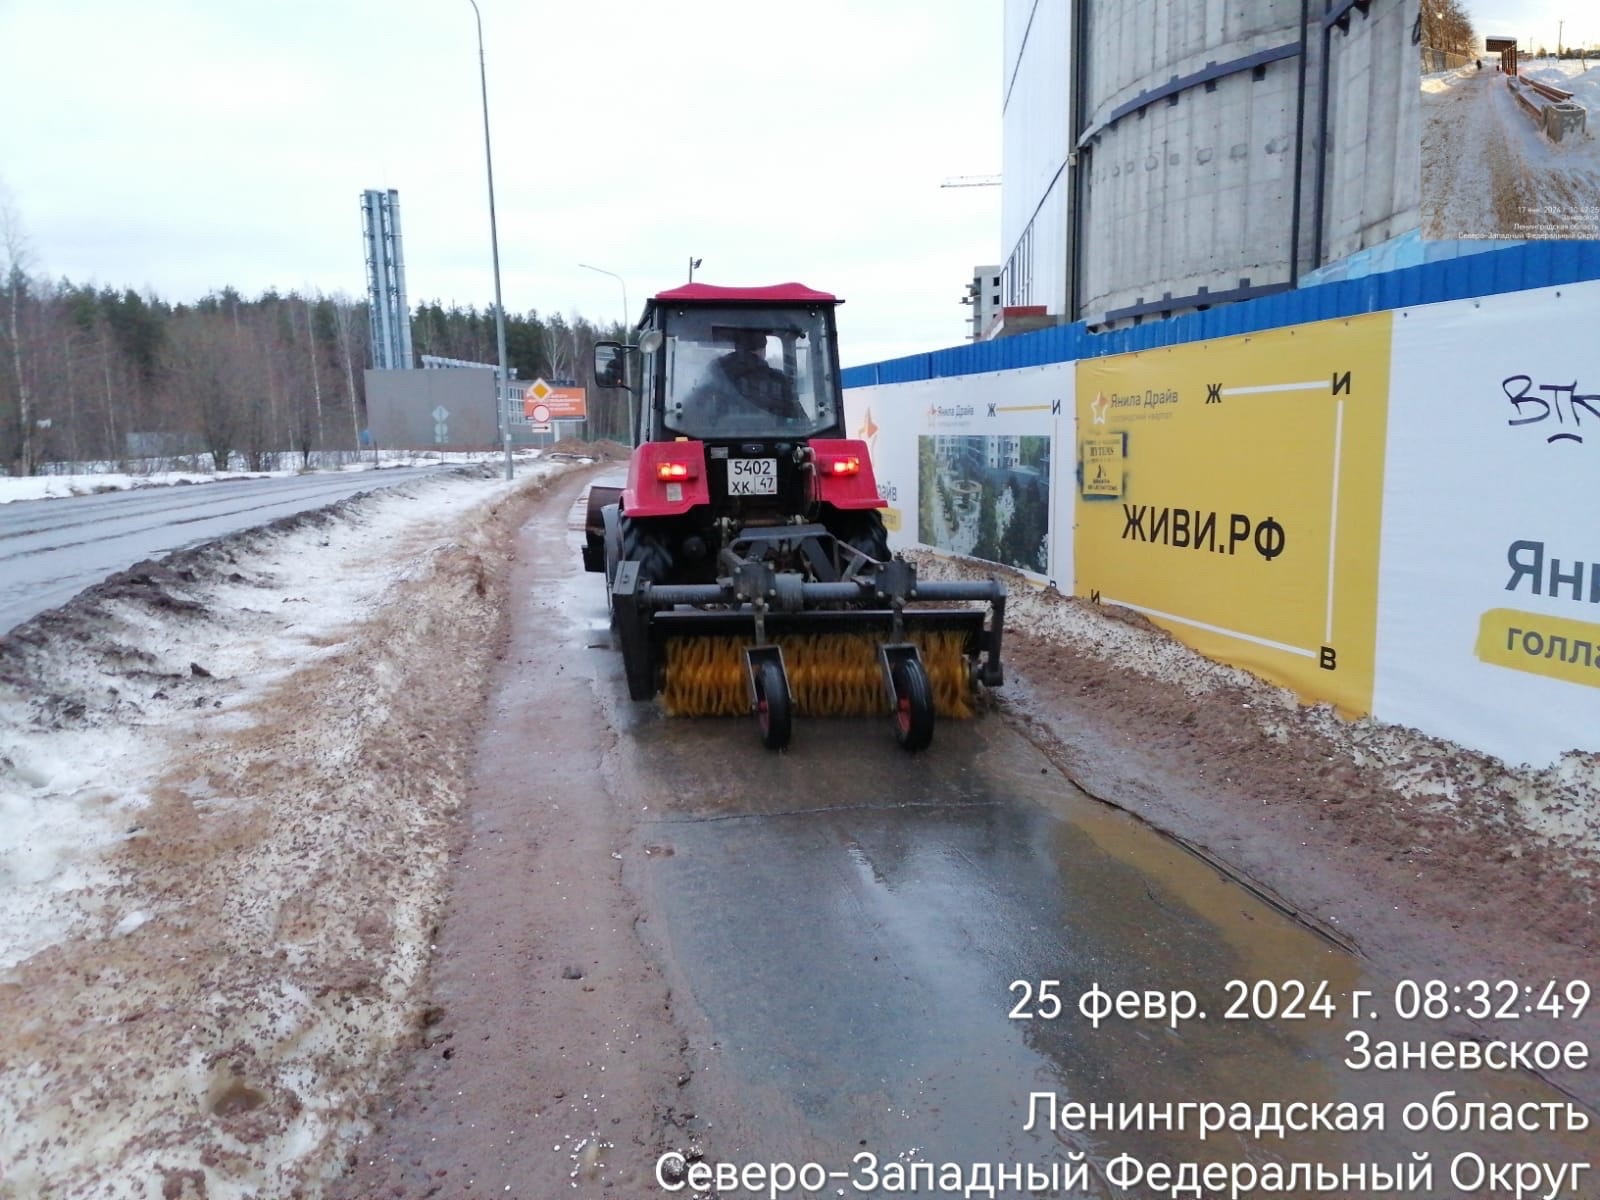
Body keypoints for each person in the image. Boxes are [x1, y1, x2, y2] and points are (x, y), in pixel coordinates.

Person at [691, 328, 804, 423]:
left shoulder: (714, 374)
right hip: (777, 446)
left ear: (738, 348)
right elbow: (800, 423)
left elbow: (693, 414)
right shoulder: (779, 381)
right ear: (762, 350)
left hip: (714, 446)